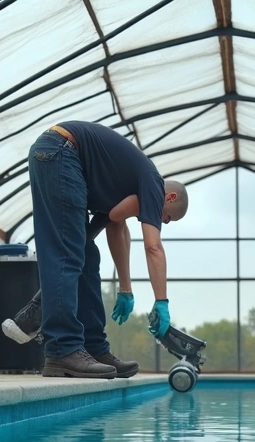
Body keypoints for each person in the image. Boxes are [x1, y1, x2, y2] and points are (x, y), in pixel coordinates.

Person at [11, 121, 188, 379]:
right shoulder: (153, 183)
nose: (162, 222)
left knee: (87, 257)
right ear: (169, 198)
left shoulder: (130, 184)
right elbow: (153, 247)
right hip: (61, 152)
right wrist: (162, 302)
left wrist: (125, 288)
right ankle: (62, 349)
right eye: (168, 218)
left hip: (64, 157)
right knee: (67, 254)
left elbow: (116, 223)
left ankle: (93, 348)